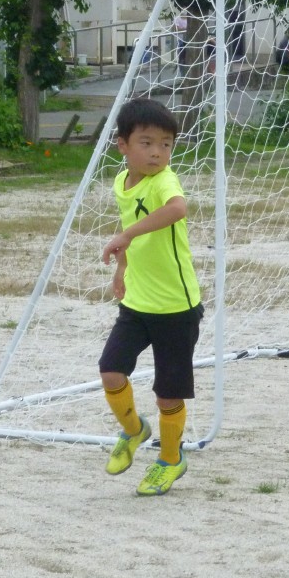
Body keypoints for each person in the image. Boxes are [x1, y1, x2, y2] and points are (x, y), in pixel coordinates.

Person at [99, 99, 203, 496]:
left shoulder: (164, 182)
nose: (157, 152)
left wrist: (126, 235)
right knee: (111, 371)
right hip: (137, 302)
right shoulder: (122, 182)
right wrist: (122, 269)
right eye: (146, 143)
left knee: (167, 394)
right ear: (123, 145)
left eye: (166, 144)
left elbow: (178, 209)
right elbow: (131, 229)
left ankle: (171, 460)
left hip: (176, 307)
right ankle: (133, 430)